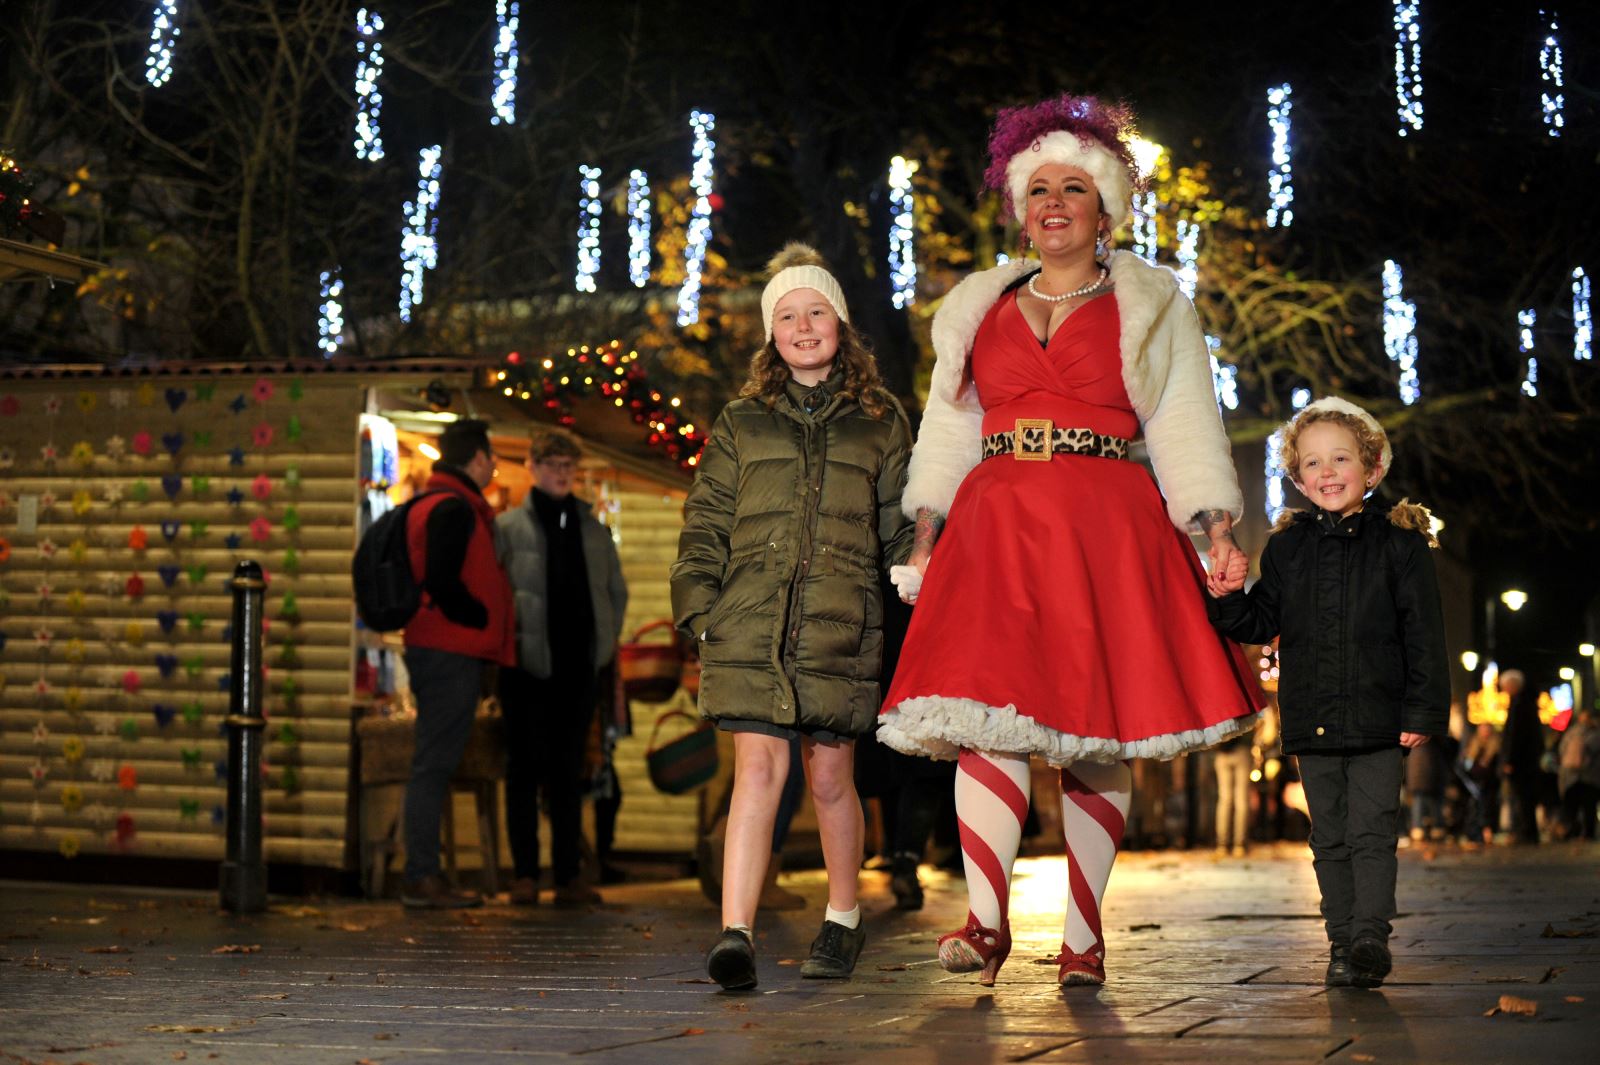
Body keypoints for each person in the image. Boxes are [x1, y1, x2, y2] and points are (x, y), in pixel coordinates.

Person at [876, 95, 1264, 989]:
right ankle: (985, 919)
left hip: (1105, 521)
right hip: (996, 523)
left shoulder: (1151, 299)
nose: (1054, 202)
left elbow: (1183, 420)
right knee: (984, 714)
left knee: (1095, 731)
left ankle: (1084, 935)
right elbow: (946, 424)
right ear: (1021, 206)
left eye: (1074, 188)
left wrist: (1212, 526)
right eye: (1038, 187)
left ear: (1105, 208)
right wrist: (925, 528)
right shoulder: (979, 303)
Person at [672, 244, 915, 991]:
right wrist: (699, 609)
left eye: (815, 311)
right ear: (770, 334)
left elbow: (903, 519)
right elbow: (706, 521)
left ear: (839, 323)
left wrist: (916, 566)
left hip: (840, 622)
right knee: (757, 770)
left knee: (832, 776)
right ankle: (735, 933)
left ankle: (843, 916)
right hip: (751, 621)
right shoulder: (742, 421)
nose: (803, 326)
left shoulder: (880, 420)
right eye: (787, 315)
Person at [1208, 396, 1450, 989]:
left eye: (1341, 459)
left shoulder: (1399, 544)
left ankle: (1370, 935)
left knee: (1371, 830)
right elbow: (1258, 623)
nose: (1327, 473)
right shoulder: (1288, 547)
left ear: (1372, 469)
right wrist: (1230, 594)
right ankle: (1342, 942)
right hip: (1311, 711)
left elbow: (1424, 634)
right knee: (1329, 834)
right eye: (1313, 463)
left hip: (1378, 713)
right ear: (1297, 476)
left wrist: (1421, 709)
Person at [496, 431, 628, 906]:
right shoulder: (509, 527)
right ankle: (526, 874)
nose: (560, 472)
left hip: (578, 667)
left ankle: (568, 875)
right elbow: (498, 593)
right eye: (551, 463)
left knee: (570, 770)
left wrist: (602, 647)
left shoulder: (591, 529)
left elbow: (616, 591)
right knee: (524, 769)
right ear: (531, 466)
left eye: (567, 465)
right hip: (524, 667)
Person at [400, 419, 516, 908]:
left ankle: (425, 874)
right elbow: (443, 581)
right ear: (477, 457)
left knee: (435, 761)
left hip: (446, 649)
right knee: (434, 763)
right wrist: (481, 615)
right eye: (490, 458)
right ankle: (422, 877)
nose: (492, 467)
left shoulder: (445, 503)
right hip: (449, 652)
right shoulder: (452, 508)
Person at [1499, 670, 1546, 844]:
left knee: (1522, 797)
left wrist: (1510, 759)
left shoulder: (1520, 705)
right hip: (1528, 761)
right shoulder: (1528, 703)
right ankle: (1527, 831)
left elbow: (1515, 735)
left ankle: (1525, 832)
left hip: (1521, 762)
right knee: (1525, 798)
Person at [1557, 707, 1598, 840]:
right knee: (1588, 806)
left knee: (1571, 805)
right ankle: (1588, 833)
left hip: (1571, 775)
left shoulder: (1571, 732)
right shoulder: (1595, 733)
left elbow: (1562, 750)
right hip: (1590, 775)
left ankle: (1570, 830)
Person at [1213, 730, 1255, 856]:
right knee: (1241, 800)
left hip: (1222, 753)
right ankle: (1239, 845)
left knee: (1224, 800)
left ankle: (1222, 845)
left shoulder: (1220, 709)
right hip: (1242, 750)